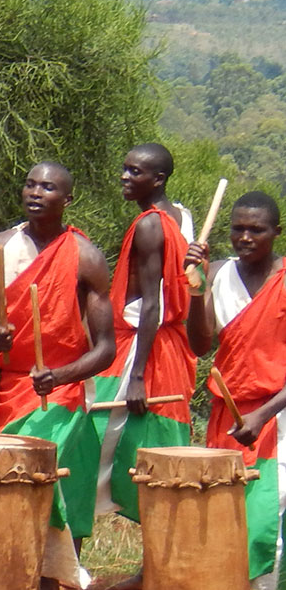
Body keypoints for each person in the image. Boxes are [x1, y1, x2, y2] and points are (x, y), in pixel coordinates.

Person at [0, 163, 115, 590]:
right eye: (31, 184)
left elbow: (105, 348)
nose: (36, 193)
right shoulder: (0, 248)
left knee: (41, 484)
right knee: (0, 493)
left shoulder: (86, 258)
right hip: (7, 390)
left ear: (67, 200)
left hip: (61, 394)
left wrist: (60, 374)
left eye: (48, 187)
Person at [186, 192, 286, 590]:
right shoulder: (220, 275)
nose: (245, 238)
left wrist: (265, 414)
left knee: (264, 526)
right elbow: (201, 343)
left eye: (257, 230)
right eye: (238, 229)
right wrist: (195, 288)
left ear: (276, 233)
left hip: (275, 419)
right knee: (225, 527)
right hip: (227, 416)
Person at [91, 144, 196, 526]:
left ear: (159, 180)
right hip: (167, 345)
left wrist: (136, 376)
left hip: (138, 347)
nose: (125, 176)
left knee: (92, 442)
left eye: (135, 172)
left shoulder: (151, 224)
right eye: (125, 169)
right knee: (153, 445)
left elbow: (153, 302)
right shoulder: (182, 217)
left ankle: (67, 560)